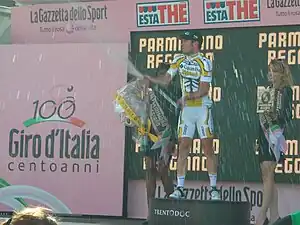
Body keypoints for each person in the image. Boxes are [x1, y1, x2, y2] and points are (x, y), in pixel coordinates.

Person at [144, 31, 220, 200]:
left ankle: (213, 188)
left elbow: (205, 89)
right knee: (183, 146)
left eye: (185, 41)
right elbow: (166, 80)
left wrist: (188, 96)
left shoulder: (205, 62)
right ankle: (180, 187)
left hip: (201, 109)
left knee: (207, 147)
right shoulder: (178, 59)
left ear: (195, 43)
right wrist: (152, 79)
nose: (182, 43)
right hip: (187, 111)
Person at [255, 59, 293, 225]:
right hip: (263, 135)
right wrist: (258, 137)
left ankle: (262, 214)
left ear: (281, 74)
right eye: (269, 70)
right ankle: (275, 216)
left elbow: (286, 115)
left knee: (269, 172)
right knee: (266, 174)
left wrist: (274, 121)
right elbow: (260, 116)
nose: (270, 74)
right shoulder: (266, 91)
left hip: (276, 135)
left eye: (274, 71)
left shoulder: (286, 91)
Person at [143, 62, 176, 225]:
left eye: (166, 75)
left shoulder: (176, 93)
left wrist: (173, 141)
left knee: (163, 170)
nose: (163, 77)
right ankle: (151, 214)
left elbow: (178, 119)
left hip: (167, 137)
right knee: (149, 171)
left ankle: (172, 209)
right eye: (160, 74)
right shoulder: (151, 93)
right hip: (151, 137)